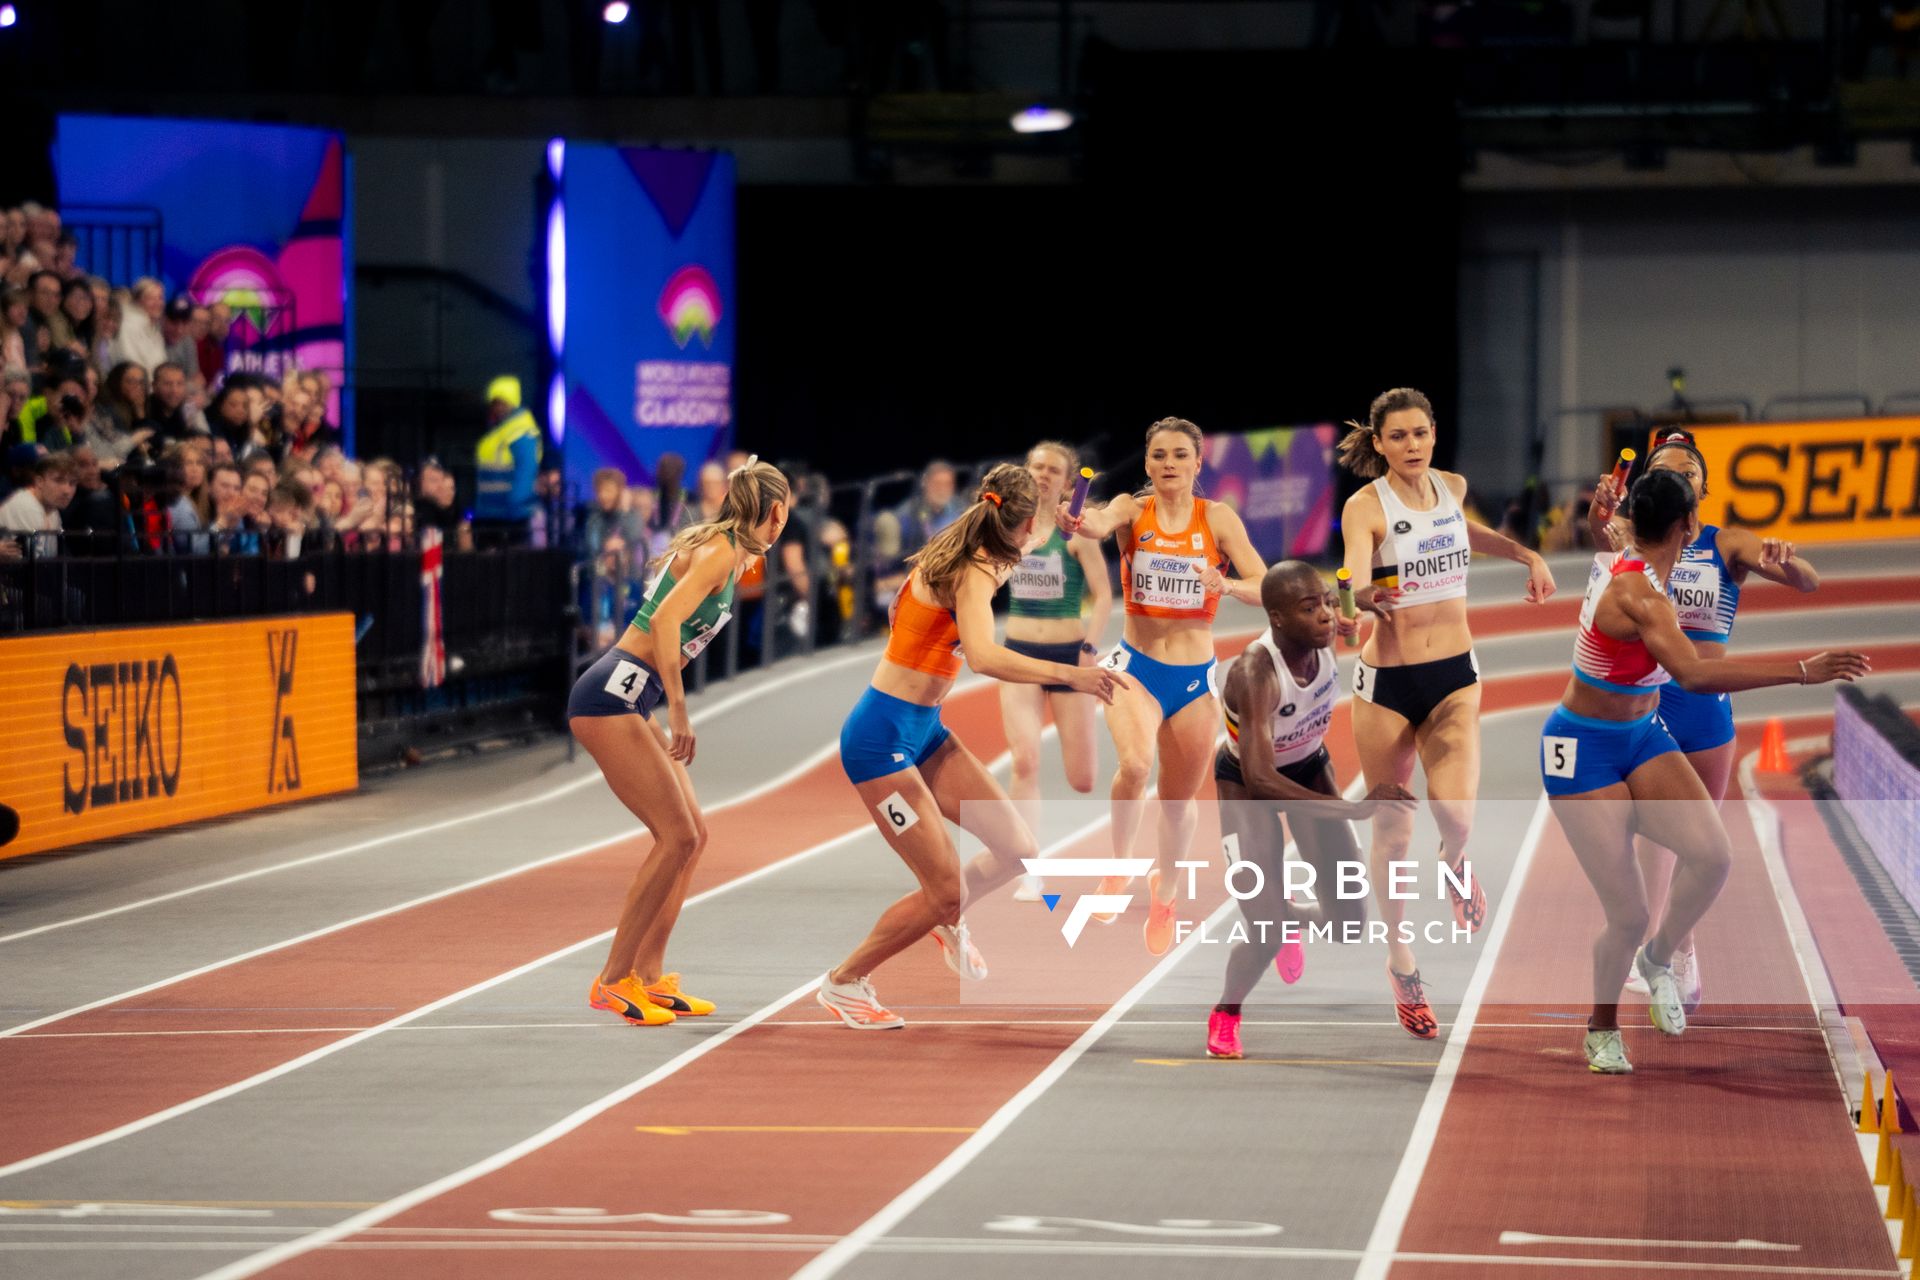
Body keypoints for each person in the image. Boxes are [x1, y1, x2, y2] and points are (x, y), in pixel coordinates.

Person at [1544, 469, 1867, 1074]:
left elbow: (1608, 530)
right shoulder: (1639, 593)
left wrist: (1602, 514)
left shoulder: (1629, 551)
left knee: (1714, 857)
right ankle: (1602, 1026)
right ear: (1689, 525)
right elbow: (1693, 674)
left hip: (1641, 735)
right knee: (1630, 913)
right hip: (1583, 748)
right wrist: (1802, 669)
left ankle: (1659, 959)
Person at [818, 463, 1125, 1029]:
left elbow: (1027, 535)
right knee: (941, 889)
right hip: (879, 739)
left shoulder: (975, 536)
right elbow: (983, 656)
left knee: (1016, 847)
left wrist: (1057, 522)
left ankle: (947, 917)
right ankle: (845, 981)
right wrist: (1073, 677)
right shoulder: (975, 570)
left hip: (925, 729)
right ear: (1021, 518)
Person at [1338, 386, 1556, 1039]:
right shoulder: (1364, 506)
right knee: (1393, 830)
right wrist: (1357, 604)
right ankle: (1402, 961)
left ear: (1435, 435)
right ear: (1378, 444)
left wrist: (1525, 553)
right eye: (1397, 437)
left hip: (1454, 677)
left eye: (1420, 434)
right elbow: (1351, 574)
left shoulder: (1452, 487)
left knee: (1456, 815)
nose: (1410, 446)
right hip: (1387, 684)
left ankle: (1455, 860)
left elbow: (1465, 532)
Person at [1587, 429, 1823, 1011]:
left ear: (1703, 486)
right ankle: (1662, 956)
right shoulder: (1634, 540)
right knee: (1652, 836)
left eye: (1688, 471)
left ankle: (1678, 953)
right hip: (1650, 707)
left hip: (1707, 712)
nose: (1678, 477)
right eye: (1665, 469)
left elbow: (1810, 581)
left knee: (1698, 846)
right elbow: (1604, 545)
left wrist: (1788, 563)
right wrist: (1602, 520)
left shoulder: (1727, 543)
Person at [568, 458, 793, 1027]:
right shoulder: (720, 551)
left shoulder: (732, 552)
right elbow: (665, 624)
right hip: (611, 694)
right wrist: (680, 710)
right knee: (677, 835)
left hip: (630, 696)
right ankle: (613, 979)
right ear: (776, 511)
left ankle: (648, 975)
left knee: (694, 835)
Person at [1057, 417, 1267, 956]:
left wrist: (1229, 584)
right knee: (1135, 765)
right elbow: (1098, 523)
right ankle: (1120, 868)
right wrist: (1077, 520)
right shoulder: (1133, 507)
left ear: (1198, 463)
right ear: (1147, 463)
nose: (1168, 464)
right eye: (1158, 455)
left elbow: (1267, 585)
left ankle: (1165, 892)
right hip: (1136, 668)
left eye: (1179, 455)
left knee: (1178, 801)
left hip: (1194, 681)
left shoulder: (1217, 519)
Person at [1206, 562, 1418, 1059]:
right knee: (1263, 934)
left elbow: (1348, 603)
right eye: (1310, 609)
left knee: (1349, 923)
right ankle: (1227, 1013)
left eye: (1327, 602)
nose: (1326, 616)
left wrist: (1370, 596)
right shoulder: (1255, 672)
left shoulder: (1323, 631)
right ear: (1277, 619)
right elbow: (1260, 777)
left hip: (1307, 767)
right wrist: (1353, 811)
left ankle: (1289, 918)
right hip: (1248, 786)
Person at [999, 440, 1113, 903]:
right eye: (1036, 466)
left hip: (1069, 655)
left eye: (1053, 469)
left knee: (1082, 778)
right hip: (1020, 654)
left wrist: (1089, 647)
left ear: (1069, 482)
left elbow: (1105, 596)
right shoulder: (1007, 527)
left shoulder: (1077, 532)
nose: (1043, 474)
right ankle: (1027, 867)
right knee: (1024, 761)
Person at [473, 374, 543, 543]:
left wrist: (516, 505)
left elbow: (526, 471)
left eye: (500, 402)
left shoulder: (521, 431)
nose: (495, 407)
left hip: (509, 517)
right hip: (490, 513)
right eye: (493, 402)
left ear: (511, 402)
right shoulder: (500, 430)